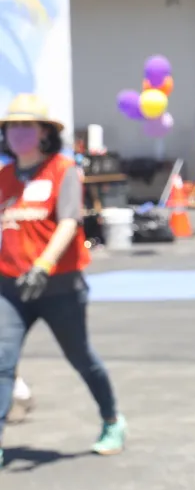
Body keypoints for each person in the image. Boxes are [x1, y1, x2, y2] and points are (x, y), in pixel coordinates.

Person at [0, 94, 124, 462]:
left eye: (27, 126)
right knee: (2, 361)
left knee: (80, 357)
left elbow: (69, 221)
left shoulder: (62, 169)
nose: (18, 133)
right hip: (10, 287)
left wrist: (43, 264)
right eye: (12, 127)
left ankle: (112, 420)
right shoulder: (4, 178)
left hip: (58, 286)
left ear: (44, 133)